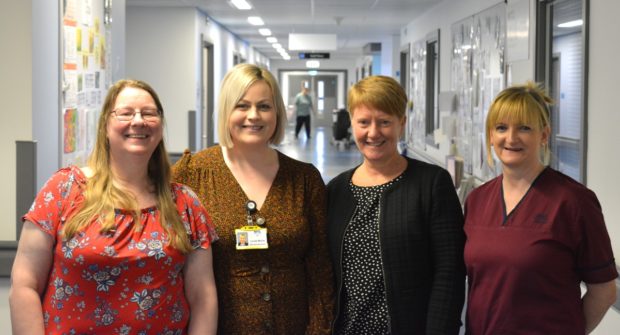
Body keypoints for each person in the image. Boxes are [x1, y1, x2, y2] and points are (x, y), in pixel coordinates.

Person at [9, 79, 219, 335]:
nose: (139, 121)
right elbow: (24, 285)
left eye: (149, 113)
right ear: (105, 126)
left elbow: (203, 297)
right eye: (126, 113)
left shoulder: (185, 204)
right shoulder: (63, 189)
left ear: (160, 126)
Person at [173, 63, 334, 335]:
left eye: (264, 106)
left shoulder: (304, 179)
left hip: (293, 327)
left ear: (277, 113)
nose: (254, 116)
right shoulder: (192, 174)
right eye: (242, 106)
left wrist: (319, 329)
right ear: (226, 111)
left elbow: (319, 268)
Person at [464, 82, 618, 334]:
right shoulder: (477, 200)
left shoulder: (574, 201)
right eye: (501, 128)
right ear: (491, 135)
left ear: (544, 135)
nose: (511, 138)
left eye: (524, 128)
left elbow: (604, 291)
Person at [327, 75, 466, 334]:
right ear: (352, 124)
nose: (373, 133)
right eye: (364, 122)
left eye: (384, 122)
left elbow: (450, 273)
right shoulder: (336, 190)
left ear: (401, 123)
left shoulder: (431, 184)